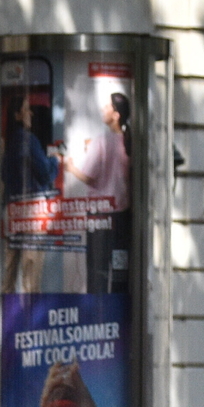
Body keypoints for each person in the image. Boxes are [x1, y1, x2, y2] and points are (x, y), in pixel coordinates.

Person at [61, 92, 131, 296]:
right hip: (123, 216)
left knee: (97, 269)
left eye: (108, 106)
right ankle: (118, 309)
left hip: (100, 216)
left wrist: (70, 166)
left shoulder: (101, 142)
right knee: (119, 267)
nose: (103, 109)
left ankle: (97, 312)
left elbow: (89, 177)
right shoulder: (129, 142)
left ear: (116, 115)